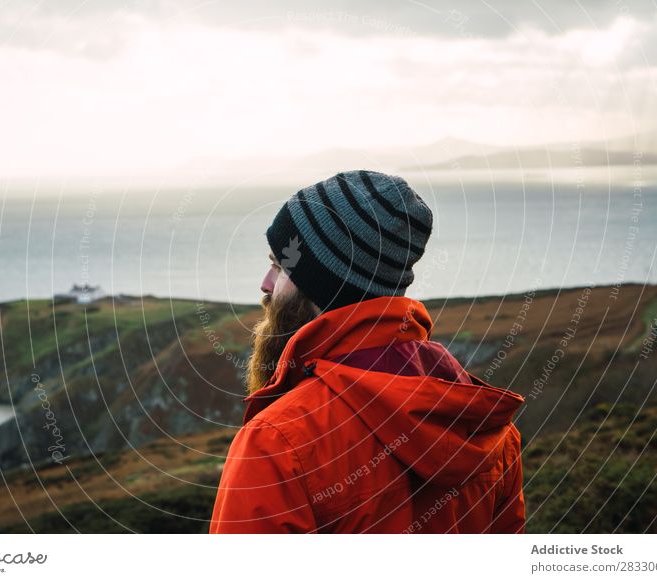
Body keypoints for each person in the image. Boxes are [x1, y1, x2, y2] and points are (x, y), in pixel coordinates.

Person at [209, 170, 525, 533]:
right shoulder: (486, 430)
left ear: (322, 286)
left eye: (280, 267)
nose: (265, 284)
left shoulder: (277, 444)